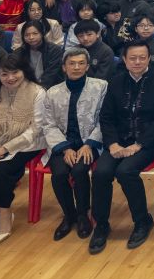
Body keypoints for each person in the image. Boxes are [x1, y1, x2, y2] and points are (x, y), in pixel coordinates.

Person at [89, 40, 154, 253]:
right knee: (101, 173)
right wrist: (112, 144)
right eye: (132, 58)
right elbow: (106, 117)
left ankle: (142, 221)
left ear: (149, 58)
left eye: (142, 58)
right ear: (124, 60)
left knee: (126, 171)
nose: (137, 62)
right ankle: (101, 224)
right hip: (119, 141)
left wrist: (139, 144)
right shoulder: (116, 81)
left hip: (150, 141)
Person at [0, 53, 45, 247]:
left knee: (0, 173)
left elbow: (36, 129)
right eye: (4, 74)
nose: (10, 78)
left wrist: (4, 148)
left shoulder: (37, 92)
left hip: (26, 145)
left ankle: (4, 214)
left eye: (15, 72)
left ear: (24, 71)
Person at [38, 47, 107, 241]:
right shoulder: (53, 92)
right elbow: (48, 124)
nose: (76, 67)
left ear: (87, 66)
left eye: (81, 63)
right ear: (64, 67)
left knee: (79, 170)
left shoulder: (101, 86)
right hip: (62, 144)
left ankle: (83, 214)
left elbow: (105, 119)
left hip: (90, 142)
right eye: (72, 63)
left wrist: (89, 144)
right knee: (59, 173)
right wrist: (65, 148)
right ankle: (69, 215)